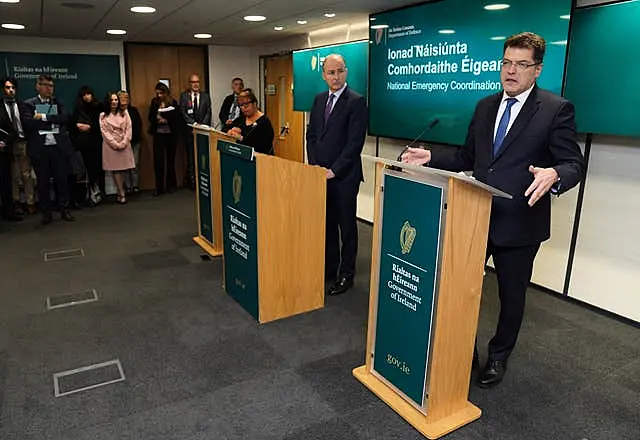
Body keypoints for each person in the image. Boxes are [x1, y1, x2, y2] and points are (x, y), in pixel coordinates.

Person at [401, 32, 585, 388]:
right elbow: (469, 158)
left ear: (537, 69)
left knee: (511, 296)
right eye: (506, 63)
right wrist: (432, 156)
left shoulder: (555, 109)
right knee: (461, 286)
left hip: (520, 222)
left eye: (521, 64)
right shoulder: (485, 106)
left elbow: (573, 163)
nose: (510, 71)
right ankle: (463, 349)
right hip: (475, 217)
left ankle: (499, 356)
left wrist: (555, 174)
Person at [306, 54, 368, 296]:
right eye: (331, 72)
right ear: (323, 75)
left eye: (339, 71)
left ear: (346, 72)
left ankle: (346, 274)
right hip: (320, 175)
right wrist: (315, 166)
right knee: (327, 224)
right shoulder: (319, 99)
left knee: (346, 227)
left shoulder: (356, 101)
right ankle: (330, 268)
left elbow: (354, 144)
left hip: (344, 177)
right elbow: (312, 136)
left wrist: (334, 170)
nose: (335, 76)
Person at [22, 74, 75, 225]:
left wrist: (43, 117)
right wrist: (52, 118)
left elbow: (64, 118)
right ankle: (46, 213)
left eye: (51, 86)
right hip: (40, 149)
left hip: (58, 147)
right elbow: (28, 123)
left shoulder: (58, 102)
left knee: (62, 180)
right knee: (43, 181)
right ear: (37, 86)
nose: (48, 88)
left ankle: (64, 209)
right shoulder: (29, 104)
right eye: (45, 85)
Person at [70, 85, 103, 205]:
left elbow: (102, 125)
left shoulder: (98, 107)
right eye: (84, 95)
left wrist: (89, 127)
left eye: (88, 94)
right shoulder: (78, 108)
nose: (87, 97)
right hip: (82, 145)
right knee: (83, 170)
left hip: (95, 142)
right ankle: (85, 196)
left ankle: (97, 193)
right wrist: (78, 126)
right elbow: (72, 124)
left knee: (96, 169)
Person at [0, 76, 27, 222]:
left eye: (13, 88)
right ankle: (11, 207)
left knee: (27, 175)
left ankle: (29, 203)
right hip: (5, 146)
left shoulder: (22, 105)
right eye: (7, 87)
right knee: (10, 177)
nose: (10, 90)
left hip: (23, 142)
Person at [99, 92, 134, 204]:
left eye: (115, 100)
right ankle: (121, 192)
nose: (114, 102)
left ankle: (120, 191)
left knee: (123, 168)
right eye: (111, 100)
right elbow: (104, 132)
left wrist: (124, 142)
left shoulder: (125, 112)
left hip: (124, 143)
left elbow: (129, 128)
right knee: (115, 169)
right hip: (111, 146)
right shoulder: (103, 115)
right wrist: (115, 144)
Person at [179, 74, 211, 189]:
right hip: (189, 131)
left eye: (197, 81)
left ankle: (203, 181)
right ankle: (193, 182)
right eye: (193, 82)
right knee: (191, 157)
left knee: (202, 156)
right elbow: (183, 112)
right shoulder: (184, 96)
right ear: (190, 84)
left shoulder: (205, 96)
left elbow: (208, 112)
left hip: (203, 132)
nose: (196, 84)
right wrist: (194, 125)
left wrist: (201, 127)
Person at [148, 82, 180, 196]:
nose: (159, 96)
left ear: (165, 92)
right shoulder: (154, 102)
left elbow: (177, 118)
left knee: (170, 160)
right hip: (158, 134)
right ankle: (159, 188)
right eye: (157, 93)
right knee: (159, 161)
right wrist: (157, 119)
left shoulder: (173, 102)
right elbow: (150, 116)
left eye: (161, 93)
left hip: (170, 134)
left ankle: (170, 186)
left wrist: (166, 120)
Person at [226, 89, 274, 155]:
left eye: (246, 105)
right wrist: (230, 131)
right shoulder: (241, 119)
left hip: (260, 160)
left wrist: (241, 138)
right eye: (241, 105)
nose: (244, 108)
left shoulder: (264, 122)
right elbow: (225, 128)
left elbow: (263, 147)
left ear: (254, 104)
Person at [117, 90, 142, 194]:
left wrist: (130, 138)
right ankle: (127, 186)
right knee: (124, 166)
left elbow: (138, 125)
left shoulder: (133, 111)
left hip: (134, 142)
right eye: (121, 98)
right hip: (121, 143)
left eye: (125, 98)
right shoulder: (115, 112)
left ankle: (135, 186)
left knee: (135, 165)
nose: (124, 101)